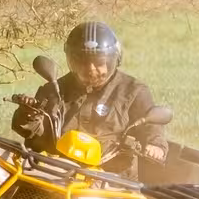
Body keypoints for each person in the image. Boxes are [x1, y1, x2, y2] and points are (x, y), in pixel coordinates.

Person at [12, 21, 167, 174]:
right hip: (56, 172)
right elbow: (33, 132)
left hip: (112, 180)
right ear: (72, 61)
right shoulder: (54, 89)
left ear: (114, 59)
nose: (91, 69)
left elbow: (151, 125)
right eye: (84, 62)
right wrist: (28, 114)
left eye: (99, 62)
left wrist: (155, 145)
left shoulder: (133, 91)